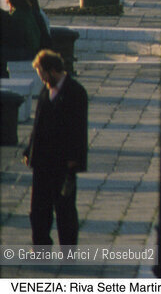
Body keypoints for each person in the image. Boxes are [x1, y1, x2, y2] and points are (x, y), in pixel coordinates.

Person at [23, 50, 89, 245]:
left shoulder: (76, 92)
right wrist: (29, 151)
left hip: (63, 163)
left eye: (42, 74)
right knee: (38, 210)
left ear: (52, 71)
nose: (42, 79)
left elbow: (79, 129)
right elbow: (38, 126)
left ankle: (68, 250)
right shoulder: (46, 92)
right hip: (42, 162)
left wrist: (75, 159)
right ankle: (41, 247)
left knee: (65, 210)